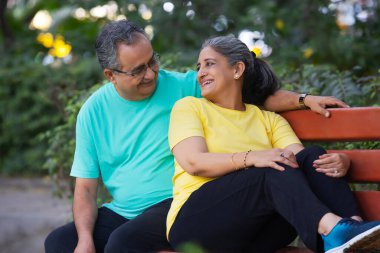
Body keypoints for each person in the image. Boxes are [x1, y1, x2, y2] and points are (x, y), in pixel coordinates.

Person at [44, 20, 352, 253]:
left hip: (177, 204)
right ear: (111, 75)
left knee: (123, 243)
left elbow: (251, 93)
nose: (151, 74)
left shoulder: (183, 87)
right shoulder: (93, 112)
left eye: (153, 61)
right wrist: (85, 239)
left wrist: (303, 99)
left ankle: (349, 234)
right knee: (60, 242)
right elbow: (85, 189)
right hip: (123, 210)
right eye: (138, 70)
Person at [166, 35, 380, 253]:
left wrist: (337, 162)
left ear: (237, 70)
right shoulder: (190, 107)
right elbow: (194, 162)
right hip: (197, 226)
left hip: (255, 234)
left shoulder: (269, 119)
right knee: (270, 165)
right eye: (199, 66)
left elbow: (300, 166)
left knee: (313, 157)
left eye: (209, 64)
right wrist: (253, 157)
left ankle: (357, 234)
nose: (200, 73)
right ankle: (338, 232)